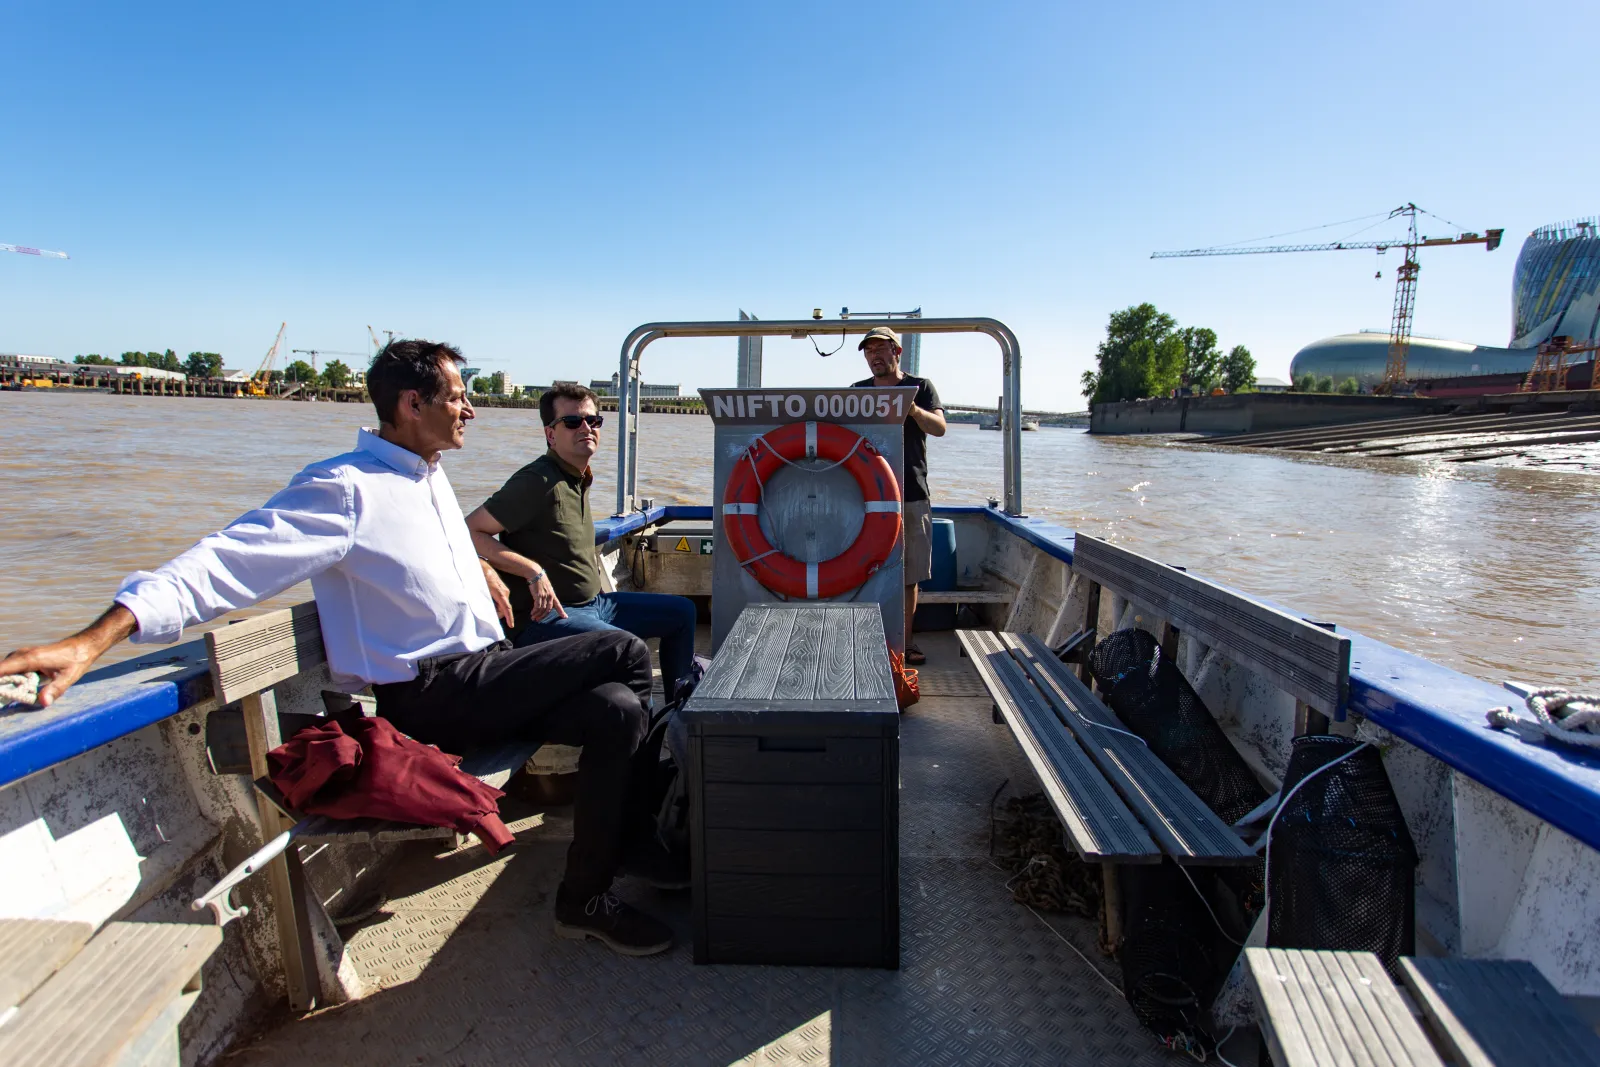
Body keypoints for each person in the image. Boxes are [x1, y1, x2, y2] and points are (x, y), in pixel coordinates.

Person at [0, 341, 675, 957]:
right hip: (437, 696)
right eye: (458, 396)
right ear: (412, 405)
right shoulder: (346, 488)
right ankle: (641, 839)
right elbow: (229, 560)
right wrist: (94, 639)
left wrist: (488, 571)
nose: (471, 407)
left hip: (486, 676)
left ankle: (582, 896)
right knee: (621, 653)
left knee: (616, 709)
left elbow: (436, 557)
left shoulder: (427, 474)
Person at [465, 381, 698, 698]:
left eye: (593, 420)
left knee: (682, 612)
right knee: (630, 651)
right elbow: (470, 530)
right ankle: (642, 742)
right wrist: (531, 570)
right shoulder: (537, 480)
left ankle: (676, 710)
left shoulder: (578, 476)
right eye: (573, 422)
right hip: (547, 618)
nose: (586, 427)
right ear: (550, 434)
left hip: (596, 604)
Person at [853, 325, 945, 665]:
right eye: (869, 350)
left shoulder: (920, 388)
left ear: (897, 352)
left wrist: (913, 411)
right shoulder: (857, 392)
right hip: (864, 494)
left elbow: (940, 428)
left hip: (912, 492)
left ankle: (906, 643)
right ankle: (863, 637)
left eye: (881, 349)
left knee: (909, 576)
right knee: (862, 569)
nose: (875, 355)